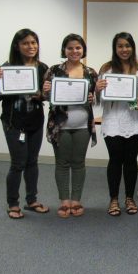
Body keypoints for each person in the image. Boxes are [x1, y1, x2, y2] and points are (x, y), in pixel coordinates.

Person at [0, 28, 49, 219]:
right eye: (26, 43)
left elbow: (46, 96)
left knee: (32, 162)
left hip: (35, 122)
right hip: (13, 124)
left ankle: (31, 200)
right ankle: (13, 204)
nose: (31, 46)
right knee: (18, 163)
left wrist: (42, 94)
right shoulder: (6, 68)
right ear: (17, 46)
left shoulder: (42, 68)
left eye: (33, 42)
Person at [95, 32, 138, 217]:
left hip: (134, 121)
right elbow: (98, 100)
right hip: (113, 121)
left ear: (132, 47)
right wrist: (97, 89)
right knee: (115, 160)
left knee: (130, 160)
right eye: (120, 46)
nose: (124, 49)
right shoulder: (107, 68)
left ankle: (129, 198)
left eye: (127, 46)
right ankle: (113, 199)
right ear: (115, 48)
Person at [43, 34, 98, 219]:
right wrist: (46, 92)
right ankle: (64, 201)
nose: (74, 51)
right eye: (70, 48)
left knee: (78, 163)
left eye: (78, 48)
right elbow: (45, 97)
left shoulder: (90, 72)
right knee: (62, 163)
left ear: (83, 50)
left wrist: (93, 97)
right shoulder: (54, 71)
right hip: (60, 126)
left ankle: (76, 200)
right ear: (64, 50)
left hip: (83, 125)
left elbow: (96, 98)